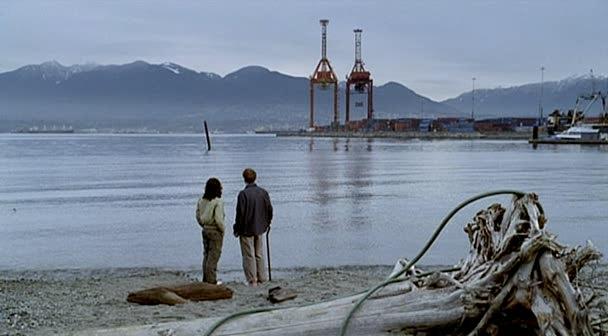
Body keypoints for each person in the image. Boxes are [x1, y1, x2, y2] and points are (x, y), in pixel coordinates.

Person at [233, 168, 273, 287]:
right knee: (259, 253)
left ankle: (252, 280)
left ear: (244, 179)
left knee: (248, 255)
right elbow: (269, 209)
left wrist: (236, 228)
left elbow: (240, 214)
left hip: (246, 229)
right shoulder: (263, 192)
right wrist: (267, 223)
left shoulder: (243, 194)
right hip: (260, 227)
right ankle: (262, 277)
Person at [196, 177, 225, 284]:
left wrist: (203, 225)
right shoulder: (218, 202)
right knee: (214, 257)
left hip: (205, 230)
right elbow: (218, 219)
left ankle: (205, 279)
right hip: (215, 231)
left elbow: (198, 216)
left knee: (206, 255)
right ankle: (211, 281)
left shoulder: (201, 201)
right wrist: (223, 230)